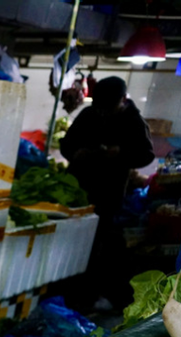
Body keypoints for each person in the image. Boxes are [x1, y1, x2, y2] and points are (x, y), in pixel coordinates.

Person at [60, 76, 155, 310]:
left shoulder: (134, 121)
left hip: (108, 194)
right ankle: (61, 291)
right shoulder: (89, 114)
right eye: (99, 108)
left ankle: (84, 298)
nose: (103, 113)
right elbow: (66, 145)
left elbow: (146, 155)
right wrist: (76, 153)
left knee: (94, 247)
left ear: (122, 100)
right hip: (75, 191)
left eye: (108, 108)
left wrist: (120, 153)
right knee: (65, 242)